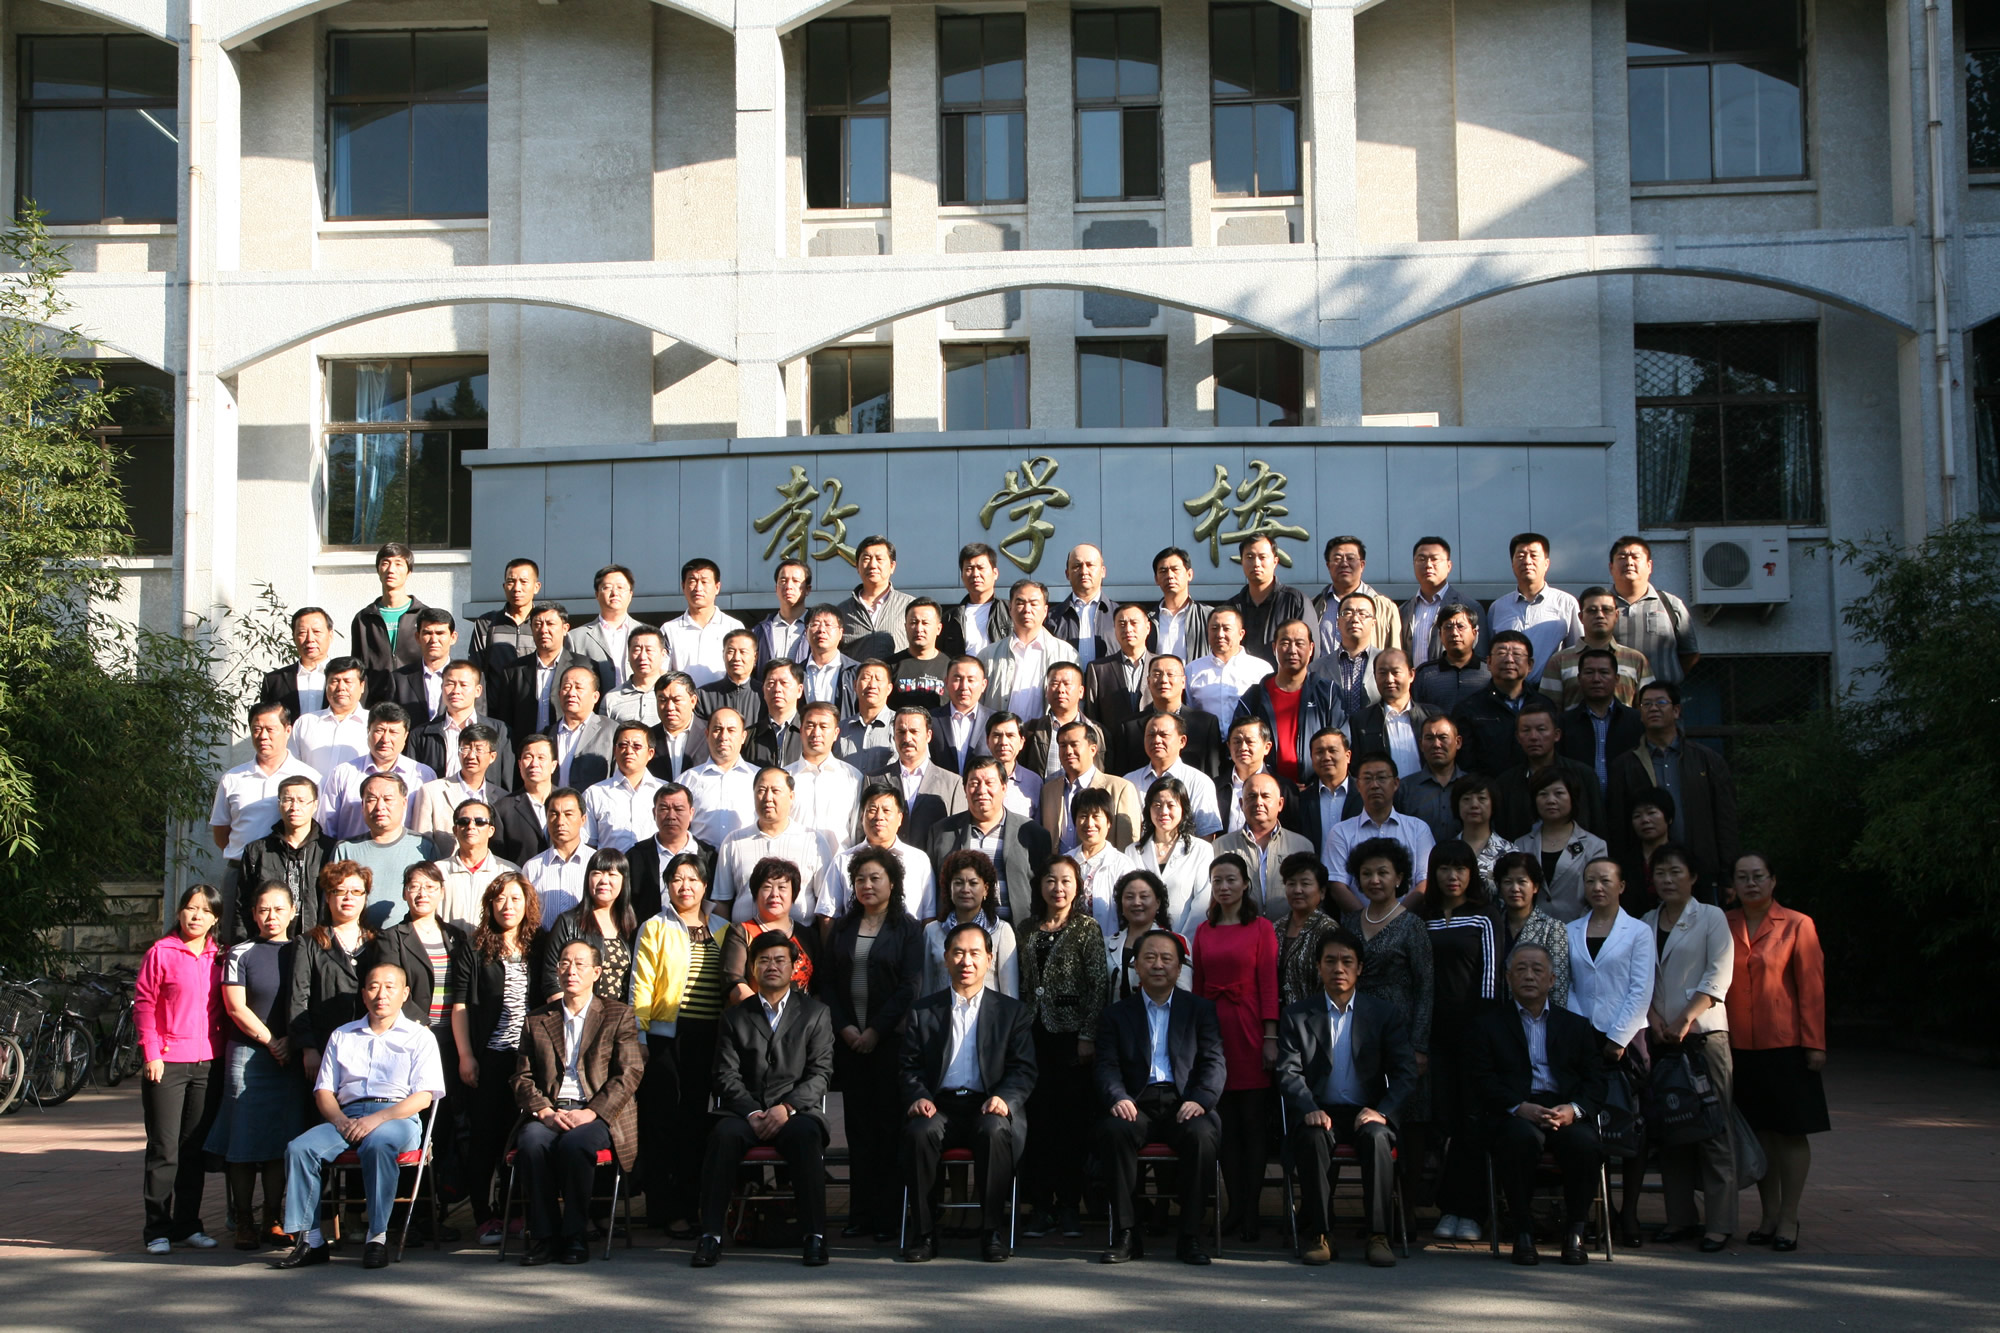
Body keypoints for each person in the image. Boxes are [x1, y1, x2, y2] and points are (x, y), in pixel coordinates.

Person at [272, 962, 445, 1271]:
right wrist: (340, 1121)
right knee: (300, 1148)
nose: (381, 994)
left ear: (405, 993)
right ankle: (311, 1240)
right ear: (363, 994)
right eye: (374, 987)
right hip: (347, 1116)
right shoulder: (343, 1035)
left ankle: (377, 1237)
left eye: (390, 987)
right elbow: (324, 1091)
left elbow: (423, 1097)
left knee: (378, 1145)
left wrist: (378, 1120)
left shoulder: (420, 1037)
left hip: (397, 1117)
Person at [1276, 926, 1420, 1267]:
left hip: (1366, 1112)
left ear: (1359, 968)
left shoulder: (1383, 1014)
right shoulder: (1298, 1015)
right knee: (1312, 1137)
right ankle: (1321, 1233)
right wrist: (1308, 1107)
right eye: (1330, 961)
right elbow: (1287, 1071)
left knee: (1378, 1138)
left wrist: (1383, 1111)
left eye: (1346, 961)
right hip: (1319, 1111)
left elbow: (1405, 1073)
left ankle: (1378, 1234)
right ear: (1318, 967)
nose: (1338, 969)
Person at [691, 931, 836, 1268]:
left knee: (806, 1137)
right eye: (764, 960)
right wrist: (753, 1112)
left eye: (780, 959)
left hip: (795, 1111)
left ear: (794, 966)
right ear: (753, 969)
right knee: (722, 1137)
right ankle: (711, 1235)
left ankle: (814, 1235)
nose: (772, 966)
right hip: (746, 1112)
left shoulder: (815, 1013)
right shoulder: (734, 1016)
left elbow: (820, 1073)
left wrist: (787, 1108)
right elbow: (724, 1075)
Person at [899, 921, 1039, 1263]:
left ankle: (992, 1231)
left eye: (975, 953)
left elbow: (1023, 1069)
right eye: (958, 953)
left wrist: (1005, 1099)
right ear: (945, 958)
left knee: (995, 1131)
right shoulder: (923, 1011)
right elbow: (908, 1067)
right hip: (939, 1105)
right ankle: (924, 1233)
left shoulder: (1011, 1013)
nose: (966, 961)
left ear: (989, 960)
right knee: (919, 1133)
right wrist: (918, 1096)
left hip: (987, 1104)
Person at [1464, 944, 1608, 1266]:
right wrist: (1518, 1107)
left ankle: (1575, 1232)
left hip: (1563, 1110)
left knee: (1585, 1144)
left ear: (1552, 980)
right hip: (1515, 1111)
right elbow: (1481, 1079)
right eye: (1521, 969)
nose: (1529, 976)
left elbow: (1596, 1081)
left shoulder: (1576, 1026)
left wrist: (1574, 1110)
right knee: (1519, 1139)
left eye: (1537, 970)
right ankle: (1523, 1231)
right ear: (1508, 978)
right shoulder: (1488, 1025)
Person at [509, 939, 646, 1265]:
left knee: (575, 1145)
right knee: (531, 1143)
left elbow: (629, 1073)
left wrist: (592, 1112)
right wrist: (544, 1111)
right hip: (551, 1110)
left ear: (596, 972)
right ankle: (544, 1237)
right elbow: (522, 1078)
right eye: (565, 963)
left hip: (596, 1113)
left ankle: (574, 1235)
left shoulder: (617, 1014)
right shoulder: (537, 1019)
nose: (571, 970)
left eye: (580, 964)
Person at [1095, 929, 1226, 1265]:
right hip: (1136, 1103)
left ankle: (1190, 1236)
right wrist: (1117, 1096)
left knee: (1202, 1135)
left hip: (1185, 1102)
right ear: (1136, 966)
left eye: (1167, 958)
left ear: (1179, 968)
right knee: (1114, 1131)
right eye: (1149, 958)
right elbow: (1106, 1066)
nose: (1158, 965)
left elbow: (1214, 1063)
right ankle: (1127, 1233)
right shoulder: (1115, 1015)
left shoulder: (1200, 1010)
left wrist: (1200, 1100)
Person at [1725, 853, 1828, 1253]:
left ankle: (1789, 1216)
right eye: (1743, 877)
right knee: (1758, 1134)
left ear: (1773, 881)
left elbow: (1812, 987)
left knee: (1790, 1132)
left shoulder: (1798, 924)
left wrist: (1814, 1043)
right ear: (1733, 884)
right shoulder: (1724, 923)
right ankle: (1768, 1216)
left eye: (1758, 876)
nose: (1751, 884)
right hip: (1738, 1045)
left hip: (1786, 1045)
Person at [823, 846, 926, 1241]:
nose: (867, 885)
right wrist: (846, 1028)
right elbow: (828, 984)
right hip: (850, 1044)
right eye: (860, 879)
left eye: (875, 878)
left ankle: (888, 1216)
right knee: (858, 1130)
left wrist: (875, 1031)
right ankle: (859, 1214)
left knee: (888, 1129)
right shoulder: (843, 928)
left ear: (893, 883)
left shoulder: (908, 929)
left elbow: (909, 988)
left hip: (890, 1043)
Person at [629, 852, 729, 1237]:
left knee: (694, 1121)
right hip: (665, 1037)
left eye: (692, 879)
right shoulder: (654, 926)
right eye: (676, 879)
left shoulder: (723, 928)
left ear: (705, 886)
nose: (684, 886)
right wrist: (639, 1035)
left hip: (709, 1038)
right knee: (663, 1121)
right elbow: (640, 984)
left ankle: (692, 1204)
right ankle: (665, 1208)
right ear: (667, 885)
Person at [1645, 842, 1738, 1252]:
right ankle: (1679, 1217)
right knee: (1672, 1126)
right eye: (1660, 873)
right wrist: (1654, 1020)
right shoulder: (1645, 922)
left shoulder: (1711, 917)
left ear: (1693, 877)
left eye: (1675, 872)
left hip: (1703, 1036)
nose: (1667, 880)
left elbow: (1719, 975)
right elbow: (1640, 980)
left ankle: (1720, 1223)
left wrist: (1684, 1020)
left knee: (1713, 1128)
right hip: (1661, 1038)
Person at [207, 881, 305, 1250]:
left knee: (282, 1139)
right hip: (249, 1054)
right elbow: (236, 1007)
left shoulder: (302, 950)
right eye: (263, 909)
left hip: (291, 1055)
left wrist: (291, 1042)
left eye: (279, 909)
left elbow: (307, 998)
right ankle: (244, 1219)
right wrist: (270, 1041)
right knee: (244, 1139)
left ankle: (273, 1218)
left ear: (293, 911)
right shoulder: (240, 953)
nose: (271, 916)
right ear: (253, 914)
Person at [1017, 856, 1109, 1238]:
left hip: (1072, 1039)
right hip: (1032, 1036)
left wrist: (1088, 1034)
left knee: (1070, 1123)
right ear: (1040, 885)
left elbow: (1098, 985)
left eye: (1066, 881)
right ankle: (1041, 1205)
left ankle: (1069, 1205)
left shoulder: (1087, 928)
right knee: (1038, 1123)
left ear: (1077, 886)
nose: (1058, 888)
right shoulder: (1025, 928)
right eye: (1051, 880)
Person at [1190, 851, 1279, 1243]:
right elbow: (1197, 989)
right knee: (1224, 1125)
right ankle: (1234, 1206)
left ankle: (1253, 1209)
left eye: (1230, 880)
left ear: (1245, 884)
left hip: (1250, 1028)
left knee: (1253, 1125)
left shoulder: (1262, 928)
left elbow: (1269, 985)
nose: (1224, 887)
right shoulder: (1203, 930)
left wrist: (1271, 1037)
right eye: (1217, 881)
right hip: (1214, 1032)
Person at [452, 873, 542, 1245]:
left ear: (528, 905)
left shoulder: (539, 945)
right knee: (485, 1138)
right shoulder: (474, 947)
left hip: (529, 1061)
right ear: (490, 904)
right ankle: (484, 1215)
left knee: (519, 1135)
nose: (508, 906)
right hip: (489, 1056)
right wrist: (466, 1056)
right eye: (500, 898)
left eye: (516, 899)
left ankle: (513, 1210)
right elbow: (460, 1005)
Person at [136, 883, 226, 1255]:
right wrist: (151, 1054)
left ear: (215, 919)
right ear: (179, 912)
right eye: (191, 907)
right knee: (164, 1148)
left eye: (205, 910)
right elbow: (144, 1004)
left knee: (193, 1149)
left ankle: (188, 1225)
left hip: (208, 1063)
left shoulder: (221, 956)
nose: (196, 915)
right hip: (167, 1062)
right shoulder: (161, 952)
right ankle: (157, 1228)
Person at [1418, 842, 1500, 1244]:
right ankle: (1447, 1206)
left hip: (1474, 1035)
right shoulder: (1425, 916)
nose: (1453, 876)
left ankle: (1471, 1210)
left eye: (1461, 869)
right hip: (1433, 1036)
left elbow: (1491, 978)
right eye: (1445, 868)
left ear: (1472, 873)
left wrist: (1482, 1032)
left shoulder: (1485, 915)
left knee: (1472, 1122)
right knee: (1443, 1121)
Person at [1337, 838, 1434, 1140]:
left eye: (1383, 873)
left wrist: (1419, 1045)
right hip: (1359, 1031)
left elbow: (1426, 987)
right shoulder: (1349, 923)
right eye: (1366, 874)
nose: (1374, 880)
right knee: (1365, 1115)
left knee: (1409, 1116)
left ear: (1399, 878)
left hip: (1401, 1030)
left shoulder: (1412, 925)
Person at [1608, 681, 1739, 885]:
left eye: (1661, 702)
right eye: (1646, 704)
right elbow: (1618, 824)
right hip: (1646, 875)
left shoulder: (1706, 760)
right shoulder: (1625, 765)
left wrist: (1728, 873)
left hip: (1701, 868)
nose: (1653, 708)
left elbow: (1726, 819)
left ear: (1676, 711)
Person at [211, 702, 322, 941]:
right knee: (236, 939)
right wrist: (248, 858)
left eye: (270, 729)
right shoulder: (232, 778)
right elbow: (221, 832)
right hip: (240, 872)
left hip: (291, 871)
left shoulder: (309, 777)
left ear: (287, 730)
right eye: (256, 729)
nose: (263, 736)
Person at [363, 864, 472, 1099]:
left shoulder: (456, 936)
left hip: (455, 1036)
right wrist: (423, 1027)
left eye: (430, 887)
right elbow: (390, 991)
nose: (422, 894)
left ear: (442, 892)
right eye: (415, 887)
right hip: (413, 1034)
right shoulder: (391, 938)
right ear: (404, 893)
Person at [927, 755, 1054, 927]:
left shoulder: (1032, 833)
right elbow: (932, 890)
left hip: (1018, 931)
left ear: (1004, 787)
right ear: (965, 789)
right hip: (958, 932)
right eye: (974, 783)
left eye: (989, 783)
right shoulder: (942, 832)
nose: (981, 790)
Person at [286, 862, 374, 1084]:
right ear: (327, 897)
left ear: (365, 897)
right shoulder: (308, 942)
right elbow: (298, 998)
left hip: (369, 1046)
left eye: (356, 891)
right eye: (340, 891)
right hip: (323, 1046)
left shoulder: (379, 942)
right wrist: (308, 1048)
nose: (348, 897)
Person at [711, 766, 831, 924]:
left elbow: (825, 906)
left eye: (775, 791)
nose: (768, 797)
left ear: (791, 796)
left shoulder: (814, 841)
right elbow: (721, 901)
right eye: (761, 790)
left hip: (798, 936)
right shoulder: (733, 841)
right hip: (745, 936)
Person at [1324, 753, 1436, 912]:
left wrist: (1396, 920)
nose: (1374, 785)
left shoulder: (1418, 829)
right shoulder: (1340, 832)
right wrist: (1366, 921)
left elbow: (1425, 882)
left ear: (1396, 783)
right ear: (1358, 785)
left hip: (1409, 920)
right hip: (1358, 923)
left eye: (1382, 778)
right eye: (1367, 779)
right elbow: (1337, 886)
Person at [1490, 697, 1607, 841]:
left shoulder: (1582, 775)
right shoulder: (1506, 783)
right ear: (1518, 737)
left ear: (1556, 735)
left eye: (1541, 729)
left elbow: (1598, 827)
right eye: (1526, 730)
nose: (1533, 737)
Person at [320, 704, 435, 842]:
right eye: (379, 730)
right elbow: (327, 825)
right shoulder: (343, 773)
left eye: (393, 732)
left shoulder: (423, 775)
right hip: (352, 853)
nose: (385, 739)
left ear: (405, 736)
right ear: (368, 731)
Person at [538, 847, 639, 1002]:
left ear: (624, 880)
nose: (604, 880)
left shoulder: (632, 926)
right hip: (579, 1012)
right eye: (597, 873)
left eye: (612, 874)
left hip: (621, 1013)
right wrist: (570, 1013)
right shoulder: (568, 922)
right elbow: (552, 978)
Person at [239, 775, 334, 940]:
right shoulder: (257, 851)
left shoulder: (330, 849)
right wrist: (243, 944)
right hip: (268, 941)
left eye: (302, 801)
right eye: (288, 800)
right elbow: (242, 903)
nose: (294, 807)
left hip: (317, 941)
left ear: (315, 805)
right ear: (279, 804)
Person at [826, 783, 937, 920]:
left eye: (886, 810)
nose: (879, 817)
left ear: (900, 818)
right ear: (862, 817)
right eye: (872, 810)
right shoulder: (843, 861)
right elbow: (827, 914)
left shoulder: (919, 860)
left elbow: (929, 916)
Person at [719, 858, 821, 1002]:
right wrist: (765, 1012)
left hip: (802, 1014)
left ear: (793, 893)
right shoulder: (740, 932)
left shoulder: (808, 936)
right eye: (767, 887)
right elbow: (733, 980)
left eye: (782, 887)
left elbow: (820, 985)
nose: (774, 894)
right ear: (756, 893)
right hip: (752, 1013)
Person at [1487, 532, 1581, 688]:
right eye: (1521, 556)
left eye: (1534, 555)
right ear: (1512, 564)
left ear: (1546, 563)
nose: (1527, 561)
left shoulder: (1566, 603)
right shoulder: (1498, 607)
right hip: (1508, 690)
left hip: (1552, 691)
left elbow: (1577, 651)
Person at [1214, 772, 1313, 919]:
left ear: (1280, 804)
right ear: (1241, 804)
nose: (1259, 802)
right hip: (1239, 928)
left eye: (1266, 796)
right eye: (1252, 796)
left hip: (1290, 928)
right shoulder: (1220, 847)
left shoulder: (1301, 846)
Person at [1113, 655, 1225, 782]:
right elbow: (1121, 779)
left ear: (1183, 682)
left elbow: (1213, 773)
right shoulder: (1129, 727)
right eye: (1157, 674)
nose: (1163, 680)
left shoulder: (1205, 724)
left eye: (1170, 674)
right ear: (1148, 682)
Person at [924, 850, 1021, 996]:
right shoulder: (932, 931)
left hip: (988, 1011)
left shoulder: (1001, 931)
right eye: (958, 883)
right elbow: (926, 988)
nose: (965, 889)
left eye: (973, 883)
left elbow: (1010, 993)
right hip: (942, 1010)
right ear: (949, 888)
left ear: (986, 889)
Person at [978, 579, 1078, 719]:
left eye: (1034, 603)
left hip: (1046, 732)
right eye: (1020, 603)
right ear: (1010, 609)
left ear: (1045, 610)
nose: (1027, 609)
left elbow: (1076, 704)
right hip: (1002, 732)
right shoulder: (988, 656)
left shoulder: (1067, 654)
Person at [1541, 586, 1651, 709]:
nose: (1600, 615)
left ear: (1616, 615)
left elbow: (1648, 708)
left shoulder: (1635, 660)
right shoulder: (1559, 661)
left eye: (1606, 610)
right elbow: (1549, 711)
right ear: (1581, 617)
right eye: (1592, 610)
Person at [1040, 719, 1141, 853]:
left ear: (1093, 749)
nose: (1068, 751)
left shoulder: (1120, 789)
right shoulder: (1048, 790)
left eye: (1074, 745)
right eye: (1063, 746)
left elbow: (1127, 843)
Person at [1523, 768, 1610, 923]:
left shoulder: (1594, 846)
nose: (1551, 800)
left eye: (1559, 793)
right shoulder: (1521, 844)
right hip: (1531, 930)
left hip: (1578, 928)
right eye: (1543, 794)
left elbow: (1599, 894)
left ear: (1572, 798)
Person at [409, 661, 516, 787]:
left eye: (463, 685)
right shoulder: (422, 734)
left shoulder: (499, 731)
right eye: (450, 684)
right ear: (442, 687)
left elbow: (508, 780)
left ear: (478, 690)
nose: (456, 690)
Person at [1609, 535, 1699, 685]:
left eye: (1635, 557)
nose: (1629, 562)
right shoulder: (1600, 607)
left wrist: (1667, 682)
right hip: (1616, 696)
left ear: (1649, 566)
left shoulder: (1671, 604)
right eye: (1622, 557)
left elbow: (1690, 653)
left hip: (1662, 696)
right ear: (1611, 567)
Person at [1130, 777, 1215, 935]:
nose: (1163, 812)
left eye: (1171, 805)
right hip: (1142, 942)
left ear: (1183, 809)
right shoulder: (1132, 851)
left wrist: (1182, 942)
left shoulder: (1202, 850)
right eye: (1157, 805)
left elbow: (1202, 904)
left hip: (1186, 940)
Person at [1450, 630, 1537, 778]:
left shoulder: (1543, 705)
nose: (1509, 660)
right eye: (1501, 653)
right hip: (1487, 789)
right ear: (1489, 662)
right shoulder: (1469, 708)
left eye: (1517, 654)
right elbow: (1465, 763)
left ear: (1529, 665)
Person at [494, 603, 585, 742]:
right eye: (537, 624)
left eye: (550, 624)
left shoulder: (584, 666)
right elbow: (505, 719)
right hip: (527, 749)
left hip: (570, 746)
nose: (543, 630)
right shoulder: (513, 671)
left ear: (565, 628)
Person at [1123, 712, 1224, 836]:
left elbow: (1206, 834)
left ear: (1182, 741)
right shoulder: (1129, 782)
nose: (1156, 740)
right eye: (1151, 735)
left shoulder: (1199, 782)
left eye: (1164, 735)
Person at [1558, 647, 1646, 789]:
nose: (1596, 679)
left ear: (1617, 679)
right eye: (1589, 672)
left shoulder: (1637, 721)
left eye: (1604, 673)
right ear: (1579, 678)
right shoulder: (1564, 723)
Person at [1492, 852, 1572, 1007]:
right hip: (1496, 1014)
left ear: (1535, 887)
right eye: (1508, 882)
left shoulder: (1552, 927)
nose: (1515, 888)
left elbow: (1558, 985)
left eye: (1522, 882)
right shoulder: (1492, 924)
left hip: (1536, 1014)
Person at [348, 541, 430, 687]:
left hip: (414, 694)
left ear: (409, 572)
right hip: (375, 695)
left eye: (398, 564)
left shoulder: (424, 615)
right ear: (378, 570)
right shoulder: (364, 618)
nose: (391, 570)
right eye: (385, 563)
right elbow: (357, 665)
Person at [887, 708, 968, 850]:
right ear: (894, 736)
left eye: (914, 731)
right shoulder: (875, 779)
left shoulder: (953, 783)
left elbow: (959, 835)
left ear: (928, 735)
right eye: (901, 732)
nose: (907, 738)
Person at [411, 724, 507, 841]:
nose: (471, 756)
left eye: (479, 750)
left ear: (492, 756)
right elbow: (421, 840)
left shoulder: (502, 798)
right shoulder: (431, 791)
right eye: (465, 749)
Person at [1102, 869, 1186, 1002]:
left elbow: (1184, 994)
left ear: (1158, 903)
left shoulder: (1176, 942)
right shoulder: (1106, 944)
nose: (1136, 902)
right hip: (1114, 1015)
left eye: (1144, 896)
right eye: (1129, 897)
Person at [1399, 536, 1485, 664]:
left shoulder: (1470, 607)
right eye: (1421, 559)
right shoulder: (1403, 610)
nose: (1428, 565)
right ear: (1413, 565)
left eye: (1435, 559)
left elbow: (1481, 656)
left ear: (1449, 566)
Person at [438, 798, 520, 932]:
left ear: (491, 830)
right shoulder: (438, 872)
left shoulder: (509, 872)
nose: (471, 826)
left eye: (480, 822)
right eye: (464, 821)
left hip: (493, 944)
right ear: (455, 830)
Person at [1312, 535, 1402, 656]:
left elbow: (1395, 655)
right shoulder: (1314, 606)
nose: (1344, 564)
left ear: (1362, 565)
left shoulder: (1385, 607)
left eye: (1350, 558)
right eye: (1337, 559)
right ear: (1328, 565)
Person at [662, 557, 746, 686]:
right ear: (683, 586)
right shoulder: (669, 629)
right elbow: (662, 672)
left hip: (723, 697)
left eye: (704, 581)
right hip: (683, 698)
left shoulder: (733, 627)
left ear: (717, 587)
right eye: (692, 581)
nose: (698, 588)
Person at [1226, 533, 1310, 662]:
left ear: (1275, 561)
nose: (1256, 563)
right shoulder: (1231, 608)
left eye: (1262, 557)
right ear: (1241, 561)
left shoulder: (1295, 601)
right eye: (1249, 557)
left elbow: (1309, 651)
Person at [1350, 650, 1433, 779]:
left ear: (1411, 675)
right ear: (1375, 676)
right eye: (1382, 673)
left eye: (1396, 672)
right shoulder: (1360, 722)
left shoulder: (1431, 717)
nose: (1389, 679)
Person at [583, 724, 666, 852]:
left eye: (636, 746)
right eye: (623, 745)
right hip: (610, 865)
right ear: (614, 751)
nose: (629, 751)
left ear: (650, 753)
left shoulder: (664, 791)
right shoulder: (594, 794)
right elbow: (587, 845)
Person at [682, 709, 759, 846]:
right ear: (707, 734)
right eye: (717, 729)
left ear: (743, 737)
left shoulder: (758, 778)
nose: (724, 736)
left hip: (747, 856)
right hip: (700, 858)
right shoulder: (687, 780)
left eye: (731, 730)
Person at [1066, 786, 1138, 931]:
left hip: (1109, 942)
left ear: (1109, 822)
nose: (1089, 823)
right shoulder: (1066, 861)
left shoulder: (1122, 865)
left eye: (1096, 816)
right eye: (1083, 816)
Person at [1186, 606, 1273, 726]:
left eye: (1227, 629)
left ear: (1241, 634)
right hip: (1206, 738)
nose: (1220, 634)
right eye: (1214, 628)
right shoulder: (1192, 669)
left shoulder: (1261, 669)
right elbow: (1188, 713)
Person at [1082, 602, 1155, 742]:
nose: (1128, 629)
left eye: (1134, 623)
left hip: (1155, 745)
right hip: (1114, 747)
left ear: (1147, 627)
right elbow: (1092, 716)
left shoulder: (1161, 666)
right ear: (1115, 629)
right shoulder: (1098, 669)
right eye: (1122, 624)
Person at [1275, 852, 1340, 1007]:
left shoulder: (1328, 930)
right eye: (1291, 884)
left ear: (1322, 892)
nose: (1297, 890)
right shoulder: (1276, 927)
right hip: (1276, 1015)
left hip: (1312, 1015)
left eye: (1305, 884)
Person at [521, 787, 595, 920]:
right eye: (554, 814)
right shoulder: (532, 867)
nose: (560, 822)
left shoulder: (595, 862)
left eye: (568, 814)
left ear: (583, 819)